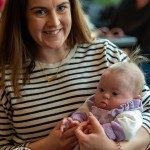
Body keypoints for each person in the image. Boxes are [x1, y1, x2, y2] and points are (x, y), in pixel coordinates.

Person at [0, 0, 149, 150]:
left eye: (61, 8)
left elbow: (148, 109)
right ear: (20, 16)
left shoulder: (106, 54)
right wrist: (46, 146)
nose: (54, 22)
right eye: (40, 11)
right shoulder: (4, 78)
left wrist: (115, 148)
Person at [60, 58, 144, 150]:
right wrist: (75, 121)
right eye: (101, 90)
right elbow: (82, 112)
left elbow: (127, 129)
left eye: (115, 93)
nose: (105, 95)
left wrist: (102, 131)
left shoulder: (130, 113)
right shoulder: (92, 103)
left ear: (134, 99)